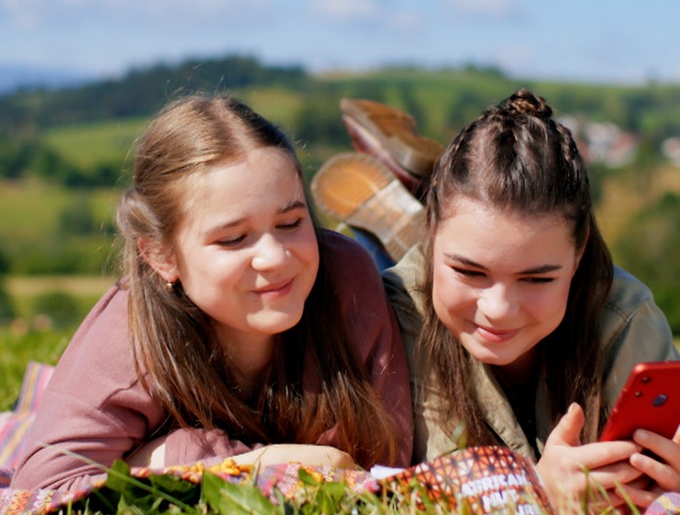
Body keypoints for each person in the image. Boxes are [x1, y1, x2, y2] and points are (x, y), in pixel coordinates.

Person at [12, 95, 412, 492]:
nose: (274, 257)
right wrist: (226, 457)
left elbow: (385, 464)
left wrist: (161, 457)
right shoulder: (132, 337)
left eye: (290, 222)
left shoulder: (346, 277)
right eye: (234, 238)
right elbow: (39, 489)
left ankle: (412, 218)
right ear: (160, 256)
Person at [362, 90, 680, 514]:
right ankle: (386, 224)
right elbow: (392, 486)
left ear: (579, 254)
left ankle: (405, 210)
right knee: (355, 262)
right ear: (433, 234)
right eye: (471, 272)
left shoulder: (624, 315)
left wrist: (669, 485)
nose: (498, 309)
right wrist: (534, 490)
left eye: (536, 278)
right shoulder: (396, 310)